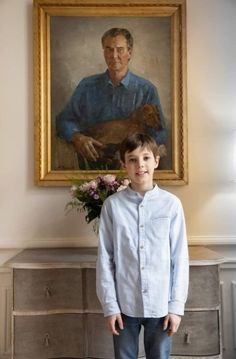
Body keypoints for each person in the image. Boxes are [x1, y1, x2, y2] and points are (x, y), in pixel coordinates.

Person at [96, 133, 189, 359]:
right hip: (124, 304)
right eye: (133, 159)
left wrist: (176, 307)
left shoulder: (171, 205)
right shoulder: (112, 206)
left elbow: (180, 259)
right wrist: (110, 306)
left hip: (161, 305)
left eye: (146, 158)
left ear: (156, 161)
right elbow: (105, 260)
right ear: (123, 165)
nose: (140, 165)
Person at [56, 28, 167, 169]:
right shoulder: (86, 86)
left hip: (131, 170)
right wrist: (77, 137)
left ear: (130, 53)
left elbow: (159, 133)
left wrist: (135, 155)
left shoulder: (146, 90)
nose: (114, 56)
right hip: (90, 166)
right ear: (103, 53)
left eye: (120, 50)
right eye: (109, 49)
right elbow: (63, 120)